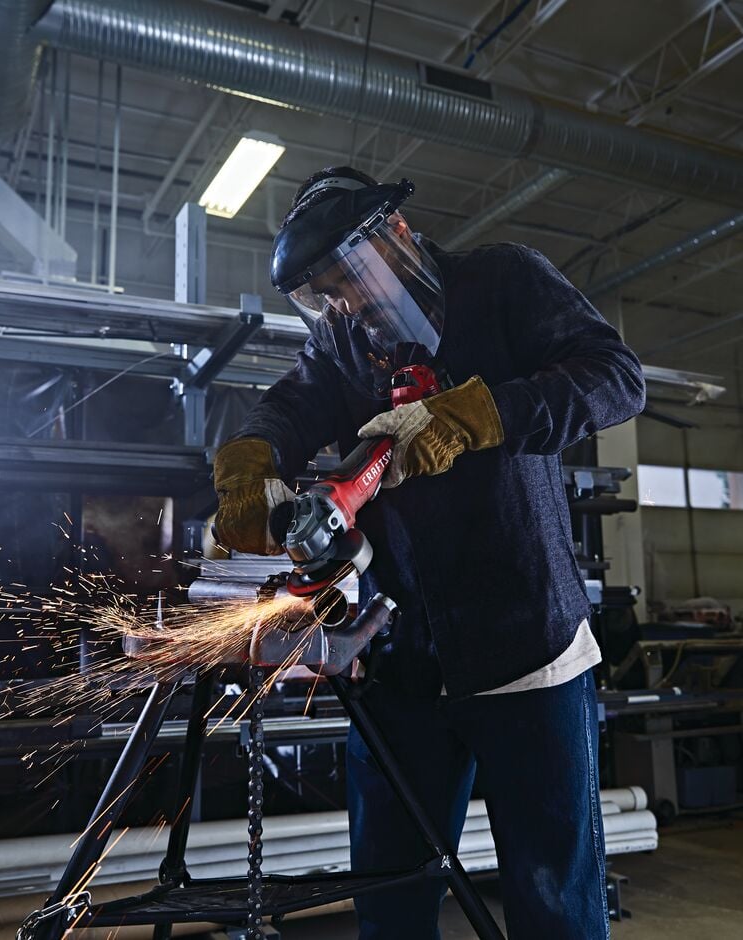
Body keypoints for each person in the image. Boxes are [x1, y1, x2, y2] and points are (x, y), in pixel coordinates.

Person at [211, 166, 645, 939]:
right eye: (324, 294)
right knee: (391, 897)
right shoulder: (346, 346)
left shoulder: (502, 281)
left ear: (396, 237)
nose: (342, 304)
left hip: (527, 646)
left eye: (347, 280)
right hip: (404, 661)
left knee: (553, 898)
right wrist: (248, 458)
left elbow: (616, 378)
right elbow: (288, 405)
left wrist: (479, 415)